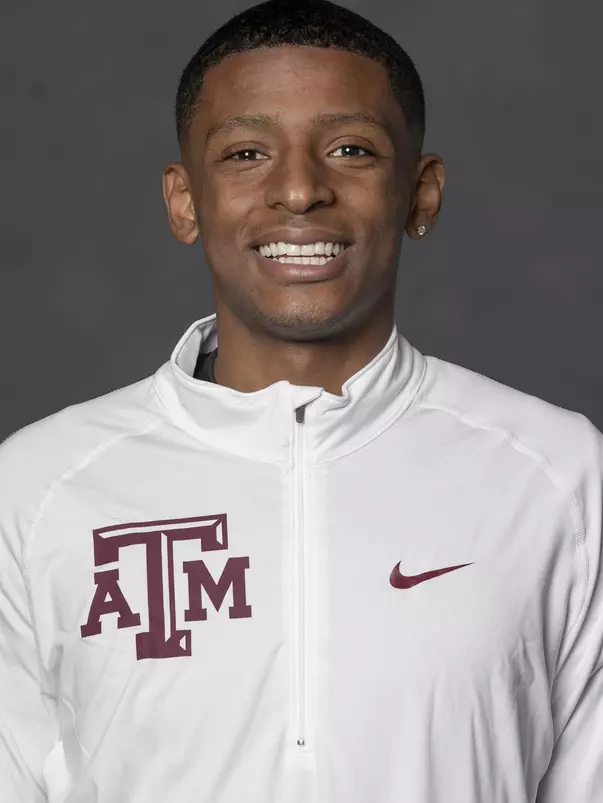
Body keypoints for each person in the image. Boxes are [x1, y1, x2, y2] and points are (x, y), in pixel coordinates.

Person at [1, 0, 601, 800]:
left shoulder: (560, 474)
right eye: (246, 152)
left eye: (350, 149)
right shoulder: (37, 488)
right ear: (184, 201)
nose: (297, 190)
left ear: (419, 193)